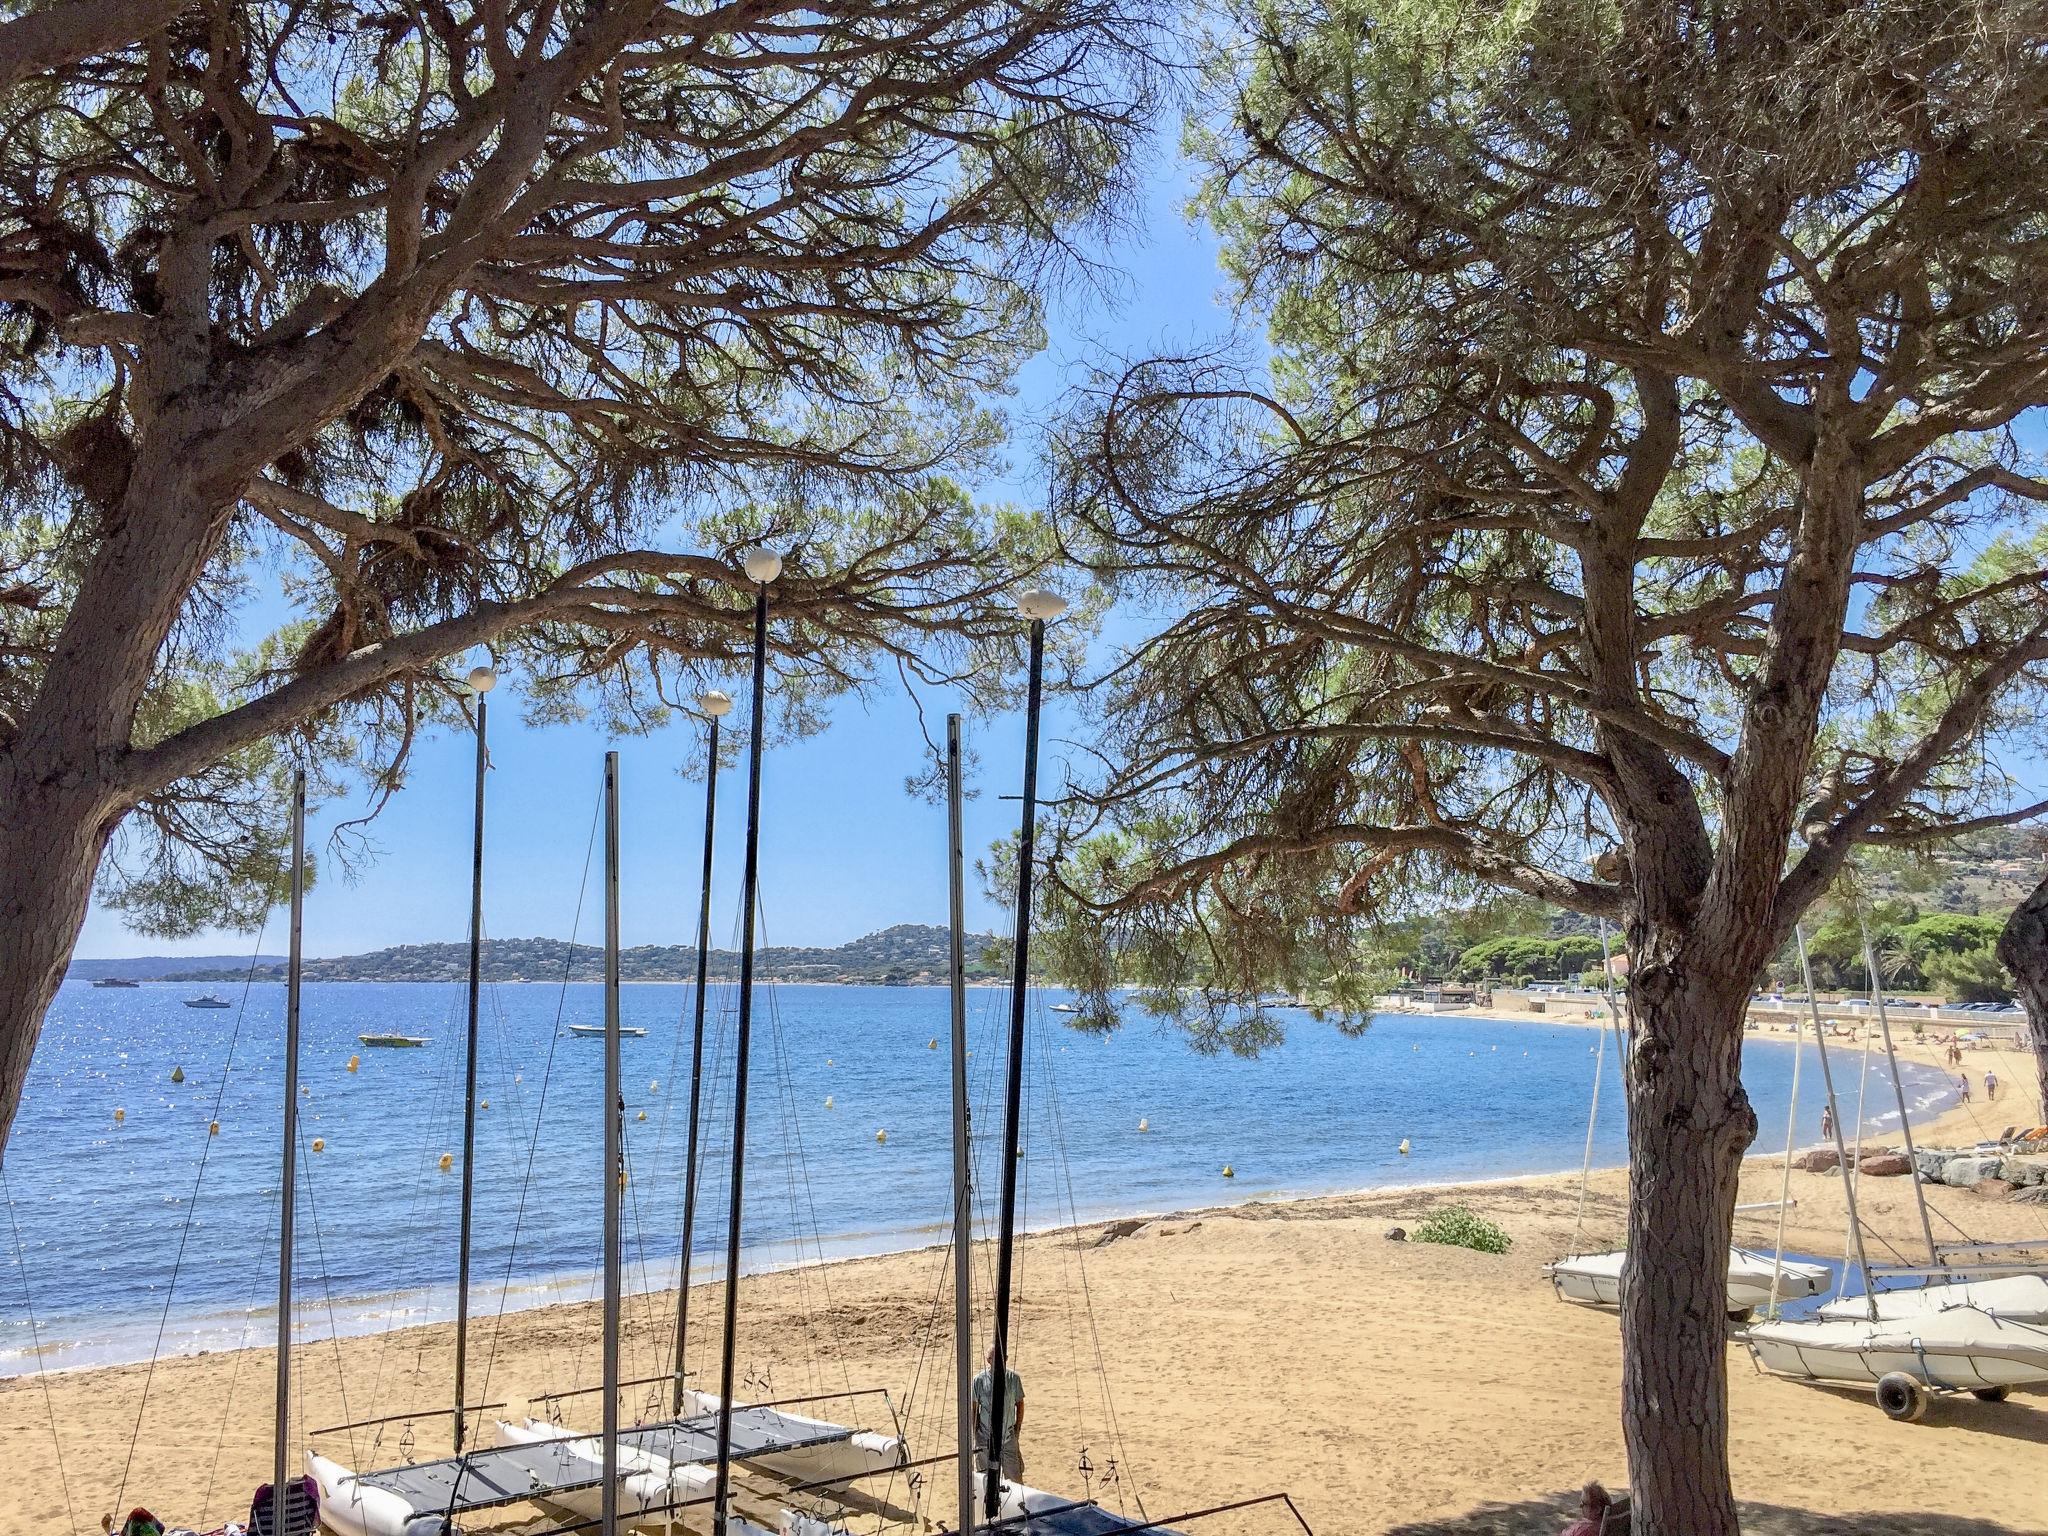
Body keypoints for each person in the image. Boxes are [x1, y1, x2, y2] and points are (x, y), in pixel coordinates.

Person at [971, 1343, 1026, 1483]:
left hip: (1008, 1436)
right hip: (985, 1436)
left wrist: (1017, 1428)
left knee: (1015, 1478)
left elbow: (1019, 1403)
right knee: (984, 1479)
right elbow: (974, 1408)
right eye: (993, 1358)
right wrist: (975, 1432)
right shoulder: (979, 1380)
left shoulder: (1013, 1378)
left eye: (1002, 1358)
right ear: (988, 1360)